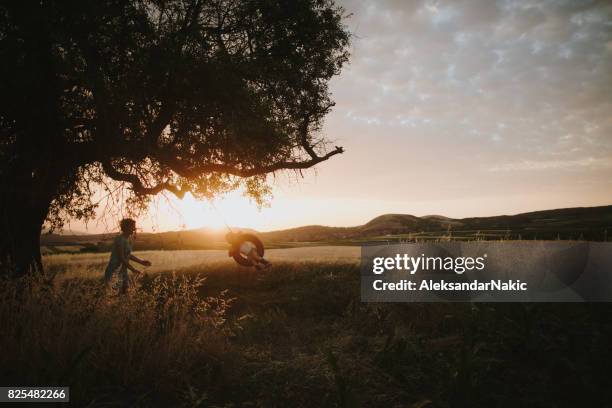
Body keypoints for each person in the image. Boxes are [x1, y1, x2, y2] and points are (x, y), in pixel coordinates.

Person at [103, 218, 151, 293]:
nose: (134, 229)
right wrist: (133, 270)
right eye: (133, 227)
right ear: (126, 227)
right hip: (114, 270)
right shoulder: (120, 239)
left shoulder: (128, 239)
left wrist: (141, 262)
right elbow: (122, 258)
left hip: (122, 271)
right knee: (113, 295)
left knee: (124, 293)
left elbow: (128, 255)